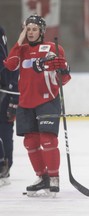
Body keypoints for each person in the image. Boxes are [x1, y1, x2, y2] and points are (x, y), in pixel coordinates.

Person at [3, 15, 71, 196]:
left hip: (47, 101)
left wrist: (63, 70)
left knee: (47, 140)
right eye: (28, 29)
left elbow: (63, 79)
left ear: (41, 31)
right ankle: (42, 177)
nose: (31, 32)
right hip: (25, 102)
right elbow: (10, 65)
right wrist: (19, 40)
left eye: (34, 29)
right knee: (30, 143)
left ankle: (54, 177)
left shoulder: (52, 48)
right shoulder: (21, 50)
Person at [0, 26, 19, 187]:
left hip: (4, 92)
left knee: (4, 129)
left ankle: (4, 167)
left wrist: (13, 99)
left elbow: (8, 67)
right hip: (6, 90)